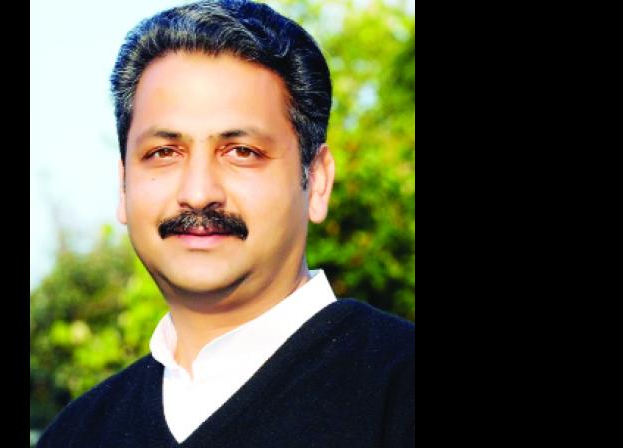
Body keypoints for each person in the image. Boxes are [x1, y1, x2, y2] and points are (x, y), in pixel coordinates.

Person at [38, 1, 414, 446]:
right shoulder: (77, 434)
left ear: (316, 181)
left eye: (242, 152)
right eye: (164, 153)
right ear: (123, 186)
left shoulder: (399, 394)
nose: (199, 192)